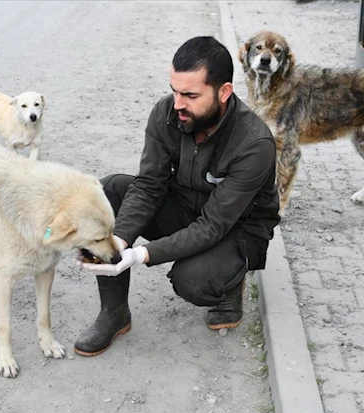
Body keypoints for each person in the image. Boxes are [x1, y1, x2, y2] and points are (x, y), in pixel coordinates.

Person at [75, 35, 279, 357]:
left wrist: (141, 255)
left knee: (194, 279)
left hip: (236, 228)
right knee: (110, 192)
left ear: (224, 92)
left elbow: (213, 226)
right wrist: (119, 243)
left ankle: (227, 286)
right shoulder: (167, 113)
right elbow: (148, 186)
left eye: (190, 95)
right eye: (174, 90)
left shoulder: (254, 143)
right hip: (186, 206)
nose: (178, 103)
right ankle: (114, 314)